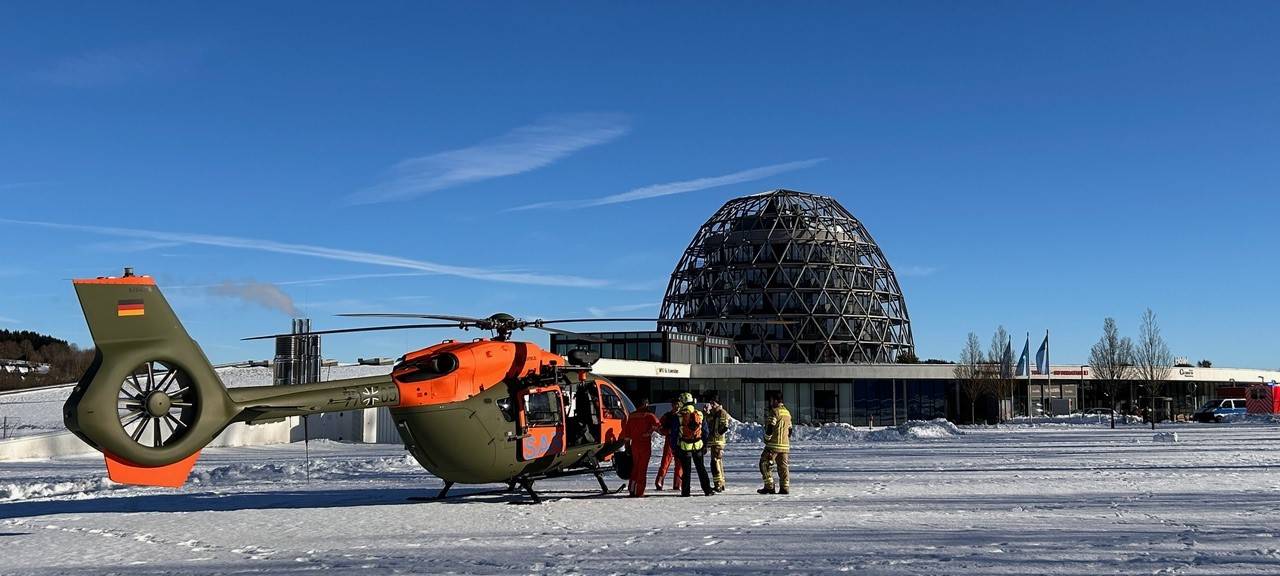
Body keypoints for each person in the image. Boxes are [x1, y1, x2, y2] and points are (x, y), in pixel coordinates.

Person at [621, 397, 662, 497]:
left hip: (634, 445)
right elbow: (659, 427)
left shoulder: (631, 416)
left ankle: (632, 488)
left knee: (635, 467)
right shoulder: (649, 415)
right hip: (644, 445)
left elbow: (626, 434)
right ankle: (639, 492)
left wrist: (627, 447)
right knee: (642, 469)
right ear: (645, 404)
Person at [676, 392, 714, 497]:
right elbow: (705, 431)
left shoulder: (679, 415)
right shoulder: (700, 414)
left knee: (686, 470)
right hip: (698, 446)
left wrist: (675, 448)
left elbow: (675, 433)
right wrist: (705, 445)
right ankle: (707, 490)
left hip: (685, 446)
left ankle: (685, 492)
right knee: (701, 468)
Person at [758, 391, 792, 495]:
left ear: (776, 401)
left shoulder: (774, 412)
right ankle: (784, 487)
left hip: (773, 445)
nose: (770, 402)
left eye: (771, 400)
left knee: (764, 463)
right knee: (783, 466)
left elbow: (770, 427)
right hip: (785, 446)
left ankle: (769, 486)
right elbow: (790, 430)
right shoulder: (787, 412)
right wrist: (785, 439)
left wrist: (767, 439)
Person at [654, 395, 684, 491]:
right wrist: (668, 432)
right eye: (675, 404)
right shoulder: (667, 416)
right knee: (665, 462)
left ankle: (677, 483)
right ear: (672, 405)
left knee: (679, 464)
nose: (677, 406)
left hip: (680, 441)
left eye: (678, 404)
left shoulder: (683, 415)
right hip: (670, 441)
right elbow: (659, 428)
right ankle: (659, 481)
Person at [704, 392, 731, 493]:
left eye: (713, 403)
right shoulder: (714, 413)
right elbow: (709, 422)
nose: (711, 405)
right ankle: (721, 483)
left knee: (715, 462)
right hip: (714, 442)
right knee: (717, 462)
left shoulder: (721, 412)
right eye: (710, 403)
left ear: (718, 403)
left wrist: (717, 433)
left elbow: (725, 426)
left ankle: (718, 484)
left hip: (718, 442)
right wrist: (707, 414)